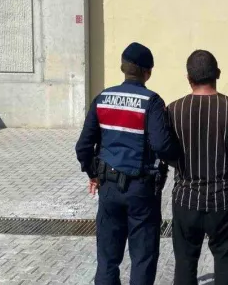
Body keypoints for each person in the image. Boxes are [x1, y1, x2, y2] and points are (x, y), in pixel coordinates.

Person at [75, 42, 176, 285]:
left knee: (108, 258)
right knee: (142, 257)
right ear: (147, 73)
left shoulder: (102, 98)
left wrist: (93, 173)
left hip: (108, 187)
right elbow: (162, 145)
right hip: (141, 190)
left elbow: (83, 146)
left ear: (123, 68)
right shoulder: (152, 101)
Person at [166, 50, 228, 285]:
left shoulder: (173, 110)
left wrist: (177, 163)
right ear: (218, 74)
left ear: (188, 77)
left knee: (184, 263)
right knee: (226, 262)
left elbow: (164, 147)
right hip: (226, 198)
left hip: (186, 198)